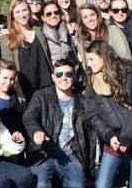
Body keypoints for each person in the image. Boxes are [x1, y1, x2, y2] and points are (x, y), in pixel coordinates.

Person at [83, 41, 132, 188]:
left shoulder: (127, 72)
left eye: (91, 59)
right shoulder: (91, 81)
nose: (88, 64)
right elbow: (92, 114)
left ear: (103, 57)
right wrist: (109, 135)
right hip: (112, 139)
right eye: (87, 60)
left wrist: (127, 137)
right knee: (102, 185)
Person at [23, 59, 91, 188]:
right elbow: (28, 116)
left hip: (71, 154)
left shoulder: (83, 101)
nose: (64, 78)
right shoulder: (41, 96)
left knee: (78, 184)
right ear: (53, 77)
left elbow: (92, 132)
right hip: (44, 154)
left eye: (68, 74)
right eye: (59, 74)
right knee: (41, 184)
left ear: (74, 77)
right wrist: (36, 131)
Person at [0, 0, 53, 97]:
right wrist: (17, 89)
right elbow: (9, 66)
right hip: (25, 90)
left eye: (24, 10)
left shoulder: (39, 30)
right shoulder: (7, 37)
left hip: (47, 86)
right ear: (12, 15)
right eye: (17, 12)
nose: (22, 15)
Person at [0, 59, 27, 163]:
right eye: (5, 78)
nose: (8, 82)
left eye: (11, 79)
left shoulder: (17, 99)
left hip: (16, 149)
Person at [40, 1, 78, 67]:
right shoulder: (41, 35)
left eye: (56, 12)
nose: (53, 16)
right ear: (43, 18)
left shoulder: (69, 31)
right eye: (49, 14)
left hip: (70, 73)